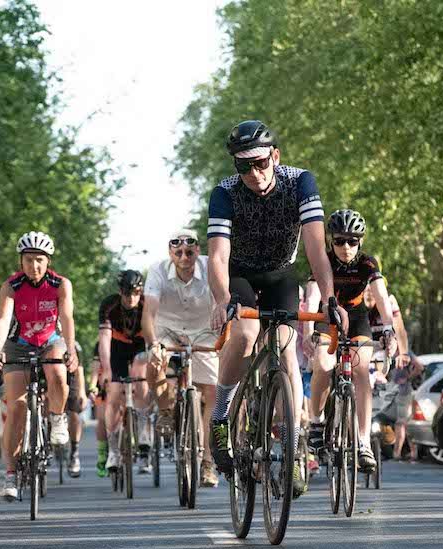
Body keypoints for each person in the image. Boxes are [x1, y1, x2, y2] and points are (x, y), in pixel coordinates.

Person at [206, 119, 347, 497]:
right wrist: (223, 301)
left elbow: (317, 249)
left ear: (275, 156)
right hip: (239, 277)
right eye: (243, 166)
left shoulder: (300, 182)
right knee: (247, 333)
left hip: (280, 274)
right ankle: (221, 416)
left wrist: (330, 298)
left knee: (285, 349)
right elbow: (218, 257)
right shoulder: (225, 193)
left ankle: (291, 447)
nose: (254, 173)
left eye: (261, 163)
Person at [301, 209, 397, 472]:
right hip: (327, 316)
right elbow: (311, 297)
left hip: (356, 318)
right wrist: (308, 330)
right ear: (331, 242)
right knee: (323, 363)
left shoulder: (368, 264)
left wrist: (389, 329)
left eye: (352, 241)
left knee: (361, 372)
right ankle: (317, 421)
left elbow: (381, 296)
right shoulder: (323, 261)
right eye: (340, 241)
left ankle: (363, 441)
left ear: (360, 242)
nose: (346, 247)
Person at [0, 231, 78, 502]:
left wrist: (71, 349)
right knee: (15, 407)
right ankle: (11, 474)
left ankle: (57, 418)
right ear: (21, 261)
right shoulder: (11, 286)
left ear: (47, 261)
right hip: (20, 342)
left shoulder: (60, 284)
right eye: (28, 260)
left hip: (51, 339)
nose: (34, 266)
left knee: (56, 371)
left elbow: (67, 316)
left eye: (39, 260)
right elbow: (3, 319)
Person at [142, 228, 220, 488]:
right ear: (170, 253)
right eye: (178, 252)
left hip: (204, 331)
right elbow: (149, 312)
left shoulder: (210, 267)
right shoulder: (157, 271)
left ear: (197, 251)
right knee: (153, 364)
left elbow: (223, 300)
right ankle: (165, 409)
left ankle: (208, 462)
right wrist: (154, 344)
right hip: (168, 330)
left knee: (212, 392)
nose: (184, 257)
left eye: (189, 251)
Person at [98, 270, 150, 474]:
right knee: (113, 394)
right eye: (127, 293)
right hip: (117, 347)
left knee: (141, 377)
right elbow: (104, 339)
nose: (132, 298)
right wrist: (107, 370)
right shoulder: (109, 305)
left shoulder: (147, 303)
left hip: (139, 345)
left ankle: (144, 431)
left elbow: (153, 333)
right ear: (120, 292)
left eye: (136, 293)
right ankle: (113, 450)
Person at [65, 342, 88, 477]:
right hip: (47, 376)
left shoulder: (74, 345)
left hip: (70, 379)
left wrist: (82, 392)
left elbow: (79, 371)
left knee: (74, 415)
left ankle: (74, 451)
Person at [90, 348, 110, 477]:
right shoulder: (101, 344)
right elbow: (95, 369)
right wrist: (92, 386)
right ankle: (102, 453)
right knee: (102, 419)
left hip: (125, 381)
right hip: (104, 386)